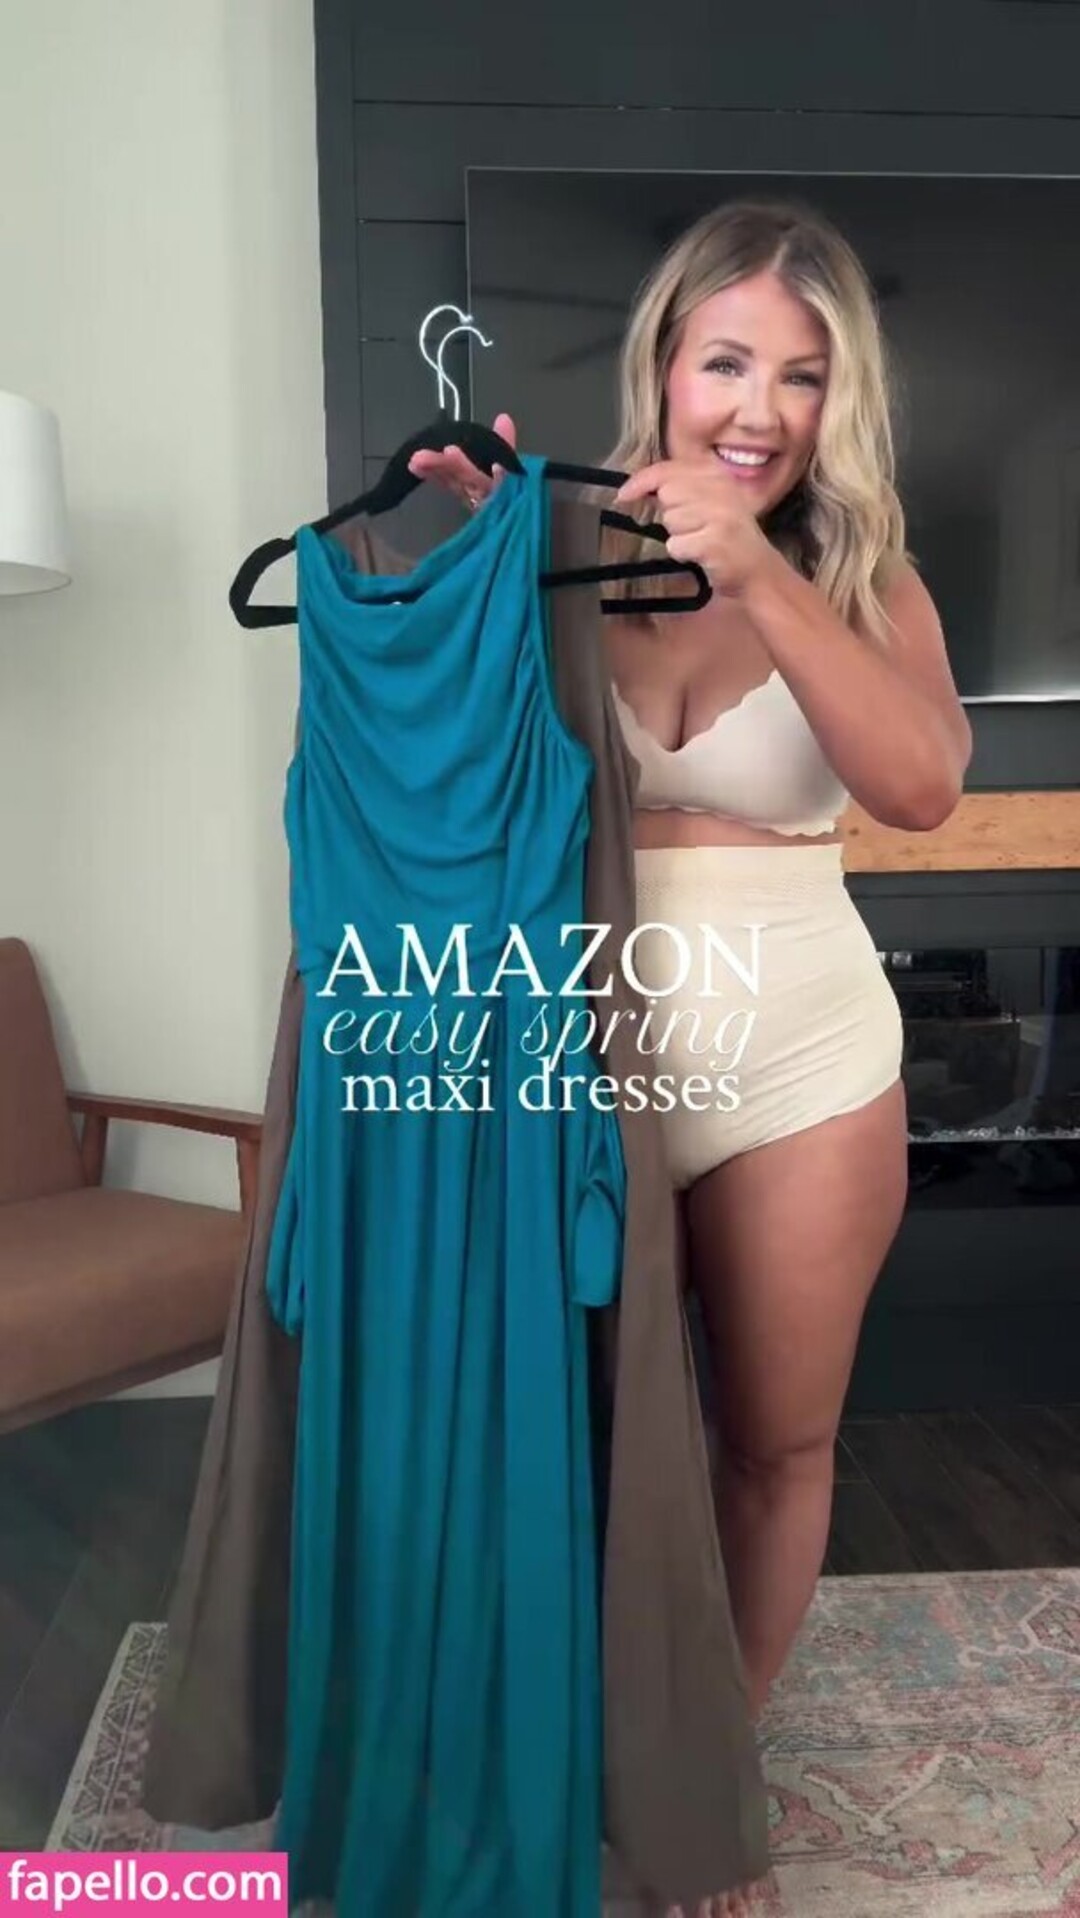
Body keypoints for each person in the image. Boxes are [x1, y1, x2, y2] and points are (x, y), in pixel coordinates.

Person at [408, 198, 972, 1918]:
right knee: (571, 1436)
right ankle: (561, 1730)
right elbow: (460, 783)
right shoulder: (553, 544)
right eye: (728, 360)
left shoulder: (862, 579)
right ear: (662, 360)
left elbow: (923, 785)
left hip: (803, 1062)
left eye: (803, 376)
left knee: (772, 1444)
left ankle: (703, 1771)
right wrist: (480, 578)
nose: (760, 408)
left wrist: (761, 568)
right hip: (586, 1057)